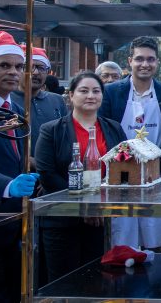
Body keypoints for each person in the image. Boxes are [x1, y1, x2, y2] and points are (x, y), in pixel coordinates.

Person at [35, 72, 126, 282]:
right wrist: (83, 206)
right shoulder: (52, 130)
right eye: (83, 91)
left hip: (101, 220)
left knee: (96, 280)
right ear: (71, 95)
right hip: (61, 219)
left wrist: (99, 206)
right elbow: (47, 174)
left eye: (96, 91)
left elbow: (122, 167)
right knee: (63, 282)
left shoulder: (113, 127)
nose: (90, 96)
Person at [99, 36, 161, 250]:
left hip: (158, 175)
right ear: (130, 61)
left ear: (157, 63)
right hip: (121, 176)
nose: (145, 64)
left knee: (155, 232)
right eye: (140, 59)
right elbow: (104, 132)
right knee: (123, 233)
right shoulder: (111, 92)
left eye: (151, 60)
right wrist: (125, 167)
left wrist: (153, 168)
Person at [0, 31, 40, 301]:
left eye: (19, 66)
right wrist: (6, 185)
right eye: (3, 65)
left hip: (13, 223)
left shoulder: (16, 108)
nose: (13, 72)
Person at [12, 46, 67, 156]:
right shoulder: (7, 100)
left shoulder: (57, 100)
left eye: (41, 68)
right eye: (29, 67)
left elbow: (66, 136)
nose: (36, 72)